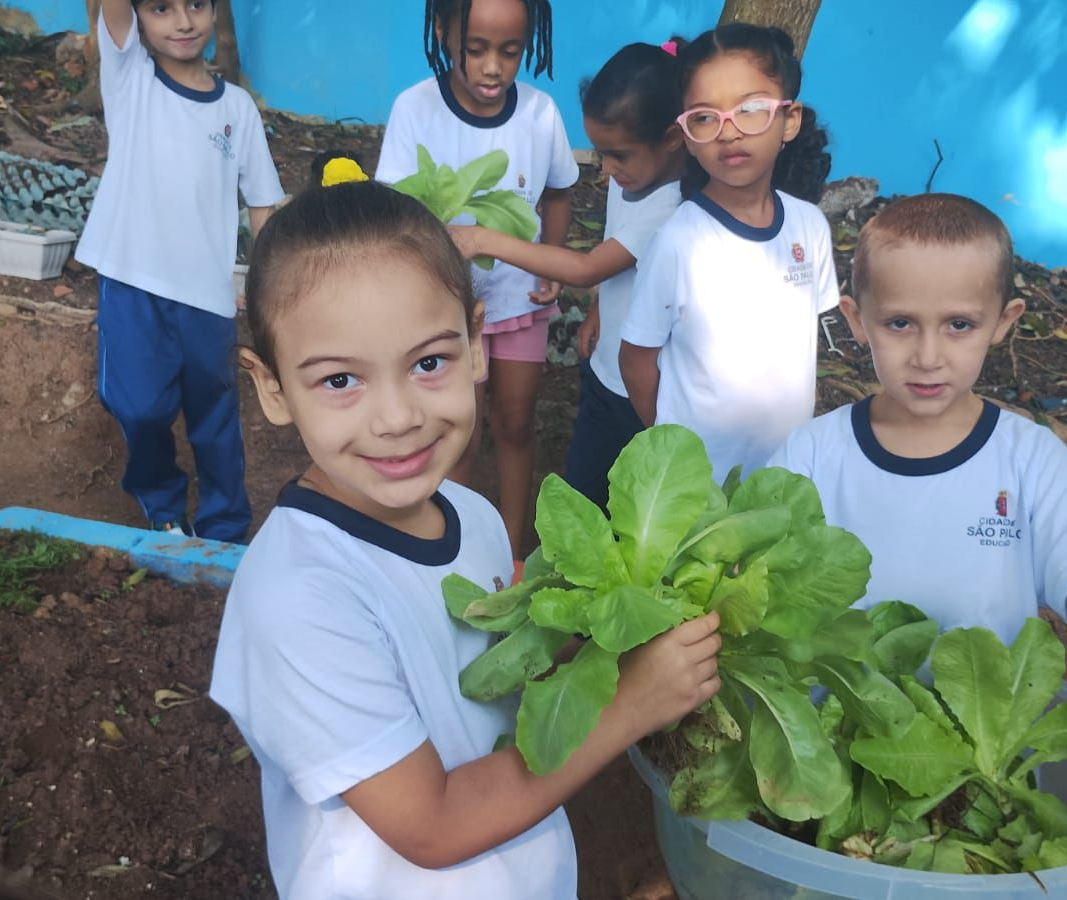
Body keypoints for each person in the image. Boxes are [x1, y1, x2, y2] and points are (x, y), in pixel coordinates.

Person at [209, 175, 723, 899]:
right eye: (338, 381)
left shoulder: (471, 515)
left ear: (478, 346)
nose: (396, 417)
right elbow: (433, 825)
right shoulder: (298, 599)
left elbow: (512, 671)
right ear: (270, 388)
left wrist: (621, 635)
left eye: (428, 363)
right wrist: (630, 704)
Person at [767, 192, 1067, 839]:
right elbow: (751, 590)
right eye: (900, 324)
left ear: (1004, 321)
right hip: (826, 774)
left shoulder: (1030, 461)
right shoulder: (810, 455)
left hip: (977, 790)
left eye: (959, 325)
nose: (927, 355)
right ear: (857, 320)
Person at [76, 0, 284, 542]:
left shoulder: (237, 109)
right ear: (140, 18)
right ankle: (163, 505)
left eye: (196, 5)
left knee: (215, 423)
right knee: (139, 409)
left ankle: (226, 529)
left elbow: (263, 207)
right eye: (162, 8)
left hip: (208, 300)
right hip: (131, 285)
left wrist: (269, 293)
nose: (183, 21)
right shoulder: (129, 78)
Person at [376, 0, 578, 560]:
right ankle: (455, 555)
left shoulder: (540, 115)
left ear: (529, 44)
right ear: (443, 33)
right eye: (476, 49)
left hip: (519, 298)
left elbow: (558, 193)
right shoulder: (415, 109)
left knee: (515, 422)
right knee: (457, 431)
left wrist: (550, 259)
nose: (493, 67)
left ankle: (511, 554)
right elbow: (395, 209)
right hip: (441, 310)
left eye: (510, 52)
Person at [449, 40, 687, 509]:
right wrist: (599, 306)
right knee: (584, 496)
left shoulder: (672, 204)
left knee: (636, 507)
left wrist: (483, 239)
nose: (607, 171)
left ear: (672, 138)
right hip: (605, 371)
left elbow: (587, 265)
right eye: (600, 155)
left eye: (618, 156)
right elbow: (614, 247)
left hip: (645, 394)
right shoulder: (636, 176)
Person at [618, 23, 837, 481]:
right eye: (704, 116)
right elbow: (636, 359)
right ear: (687, 136)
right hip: (699, 486)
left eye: (752, 108)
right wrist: (674, 449)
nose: (729, 132)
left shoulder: (810, 228)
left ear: (789, 121)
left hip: (786, 471)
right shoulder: (679, 241)